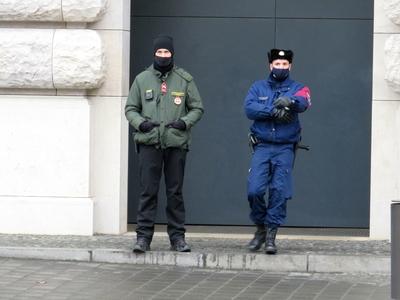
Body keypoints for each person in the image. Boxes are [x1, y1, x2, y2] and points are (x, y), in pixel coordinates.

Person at [125, 35, 204, 253]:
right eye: (159, 53)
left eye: (166, 53)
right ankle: (143, 238)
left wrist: (183, 123)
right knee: (148, 191)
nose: (162, 56)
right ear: (154, 54)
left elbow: (197, 108)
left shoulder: (184, 79)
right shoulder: (142, 79)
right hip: (149, 143)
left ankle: (177, 238)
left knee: (175, 193)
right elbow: (130, 108)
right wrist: (141, 124)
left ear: (172, 54)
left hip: (175, 144)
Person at [244, 48, 311, 254]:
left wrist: (290, 102)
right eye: (277, 64)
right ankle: (260, 228)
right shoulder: (258, 87)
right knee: (254, 190)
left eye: (284, 64)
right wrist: (272, 110)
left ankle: (271, 234)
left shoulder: (297, 87)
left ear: (290, 66)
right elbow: (249, 108)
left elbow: (305, 101)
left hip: (284, 148)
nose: (280, 67)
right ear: (270, 65)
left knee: (279, 191)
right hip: (263, 146)